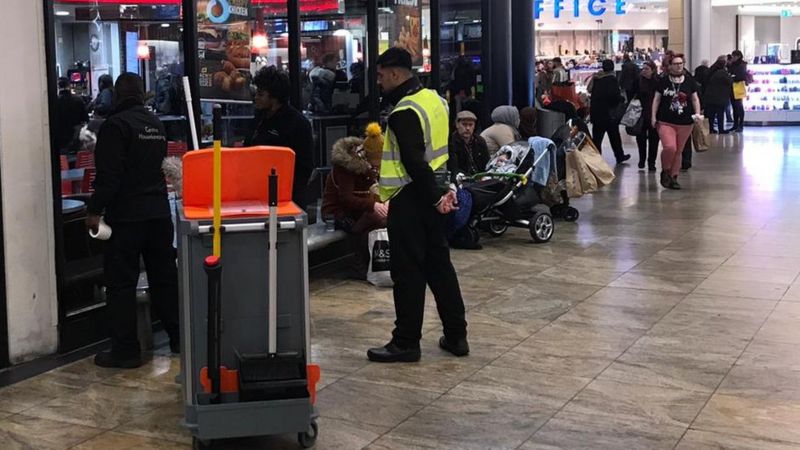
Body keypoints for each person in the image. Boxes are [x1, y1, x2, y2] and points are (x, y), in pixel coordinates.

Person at [366, 47, 468, 363]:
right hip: (432, 192)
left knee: (408, 272)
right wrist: (445, 188)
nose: (380, 83)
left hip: (411, 200)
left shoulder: (403, 112)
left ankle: (406, 342)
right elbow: (445, 148)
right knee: (440, 268)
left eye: (382, 76)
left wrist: (436, 197)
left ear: (396, 74)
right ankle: (456, 336)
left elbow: (412, 161)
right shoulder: (436, 101)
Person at [86, 73, 179, 368]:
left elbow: (110, 176)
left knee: (120, 283)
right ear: (142, 93)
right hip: (159, 213)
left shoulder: (116, 126)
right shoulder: (156, 124)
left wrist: (94, 210)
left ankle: (126, 350)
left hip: (127, 217)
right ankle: (179, 338)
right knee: (164, 279)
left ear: (117, 94)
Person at [322, 125, 387, 279]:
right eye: (376, 162)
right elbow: (346, 199)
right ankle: (358, 262)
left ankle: (371, 261)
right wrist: (373, 205)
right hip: (337, 211)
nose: (378, 166)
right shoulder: (347, 167)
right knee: (375, 217)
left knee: (384, 218)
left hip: (358, 210)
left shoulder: (371, 166)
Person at [246, 66, 314, 209]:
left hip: (287, 199)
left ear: (274, 97)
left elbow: (305, 167)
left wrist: (288, 195)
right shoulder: (259, 118)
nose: (256, 97)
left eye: (261, 94)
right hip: (256, 193)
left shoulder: (297, 123)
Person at [652, 53, 702, 190]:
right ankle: (665, 170)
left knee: (679, 150)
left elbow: (695, 98)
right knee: (670, 147)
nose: (679, 66)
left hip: (686, 122)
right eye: (675, 63)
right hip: (666, 121)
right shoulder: (663, 81)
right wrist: (653, 116)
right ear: (669, 66)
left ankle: (674, 176)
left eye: (681, 63)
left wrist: (697, 114)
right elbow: (656, 99)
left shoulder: (689, 80)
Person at [588, 59, 631, 164]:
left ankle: (596, 158)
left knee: (597, 137)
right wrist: (621, 100)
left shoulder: (596, 78)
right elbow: (614, 97)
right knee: (614, 136)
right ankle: (619, 156)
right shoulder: (612, 80)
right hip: (609, 114)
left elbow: (589, 90)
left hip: (596, 112)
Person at [448, 110, 490, 177]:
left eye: (470, 125)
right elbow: (453, 167)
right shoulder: (451, 142)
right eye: (464, 124)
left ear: (474, 126)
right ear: (457, 125)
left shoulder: (480, 141)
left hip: (480, 177)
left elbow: (487, 162)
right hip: (461, 178)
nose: (467, 128)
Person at [634, 61, 659, 171]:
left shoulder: (658, 81)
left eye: (646, 69)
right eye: (643, 69)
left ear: (653, 70)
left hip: (655, 114)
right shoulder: (638, 81)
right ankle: (642, 159)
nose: (644, 71)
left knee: (654, 140)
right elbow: (632, 94)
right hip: (641, 114)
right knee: (641, 139)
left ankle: (652, 162)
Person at [54, 77, 88, 154]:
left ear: (58, 86)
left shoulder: (55, 102)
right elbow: (86, 119)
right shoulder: (78, 100)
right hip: (75, 138)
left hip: (60, 139)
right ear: (69, 85)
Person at [703, 56, 733, 134]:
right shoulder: (722, 72)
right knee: (720, 113)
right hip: (720, 96)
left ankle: (711, 128)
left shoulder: (712, 69)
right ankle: (721, 129)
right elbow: (729, 81)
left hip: (710, 95)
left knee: (711, 114)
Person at [729, 50, 748, 132]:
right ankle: (735, 124)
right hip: (732, 87)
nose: (732, 58)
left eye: (734, 56)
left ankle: (741, 125)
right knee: (734, 107)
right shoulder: (732, 64)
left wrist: (732, 76)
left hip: (739, 87)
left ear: (738, 56)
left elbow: (739, 76)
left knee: (739, 107)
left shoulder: (742, 65)